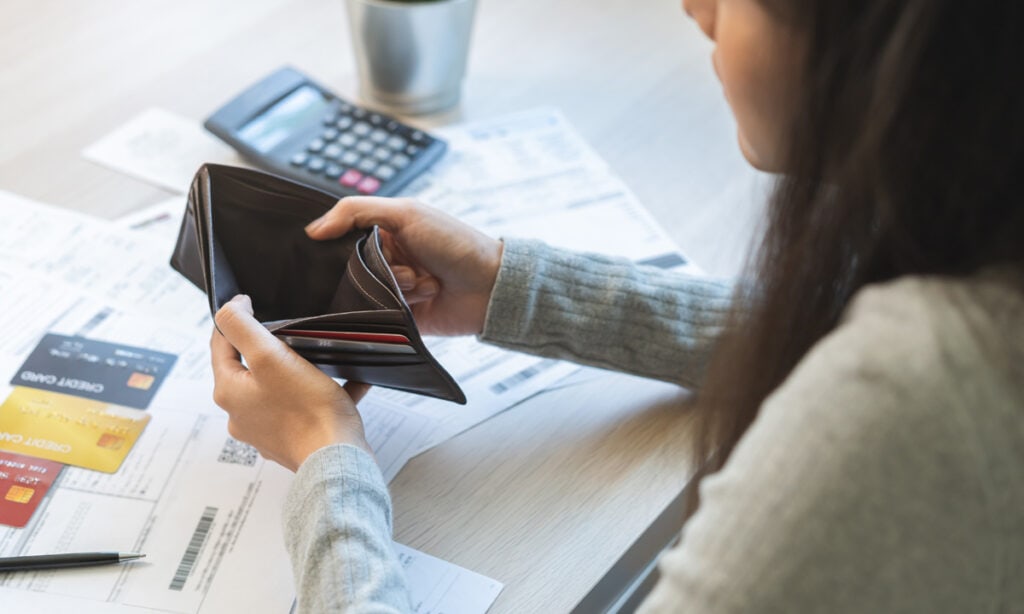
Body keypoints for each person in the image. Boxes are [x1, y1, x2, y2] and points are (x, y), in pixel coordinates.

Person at [209, 0, 1024, 611]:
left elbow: (871, 369)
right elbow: (829, 323)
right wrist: (504, 286)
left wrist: (327, 462)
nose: (696, 9)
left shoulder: (916, 399)